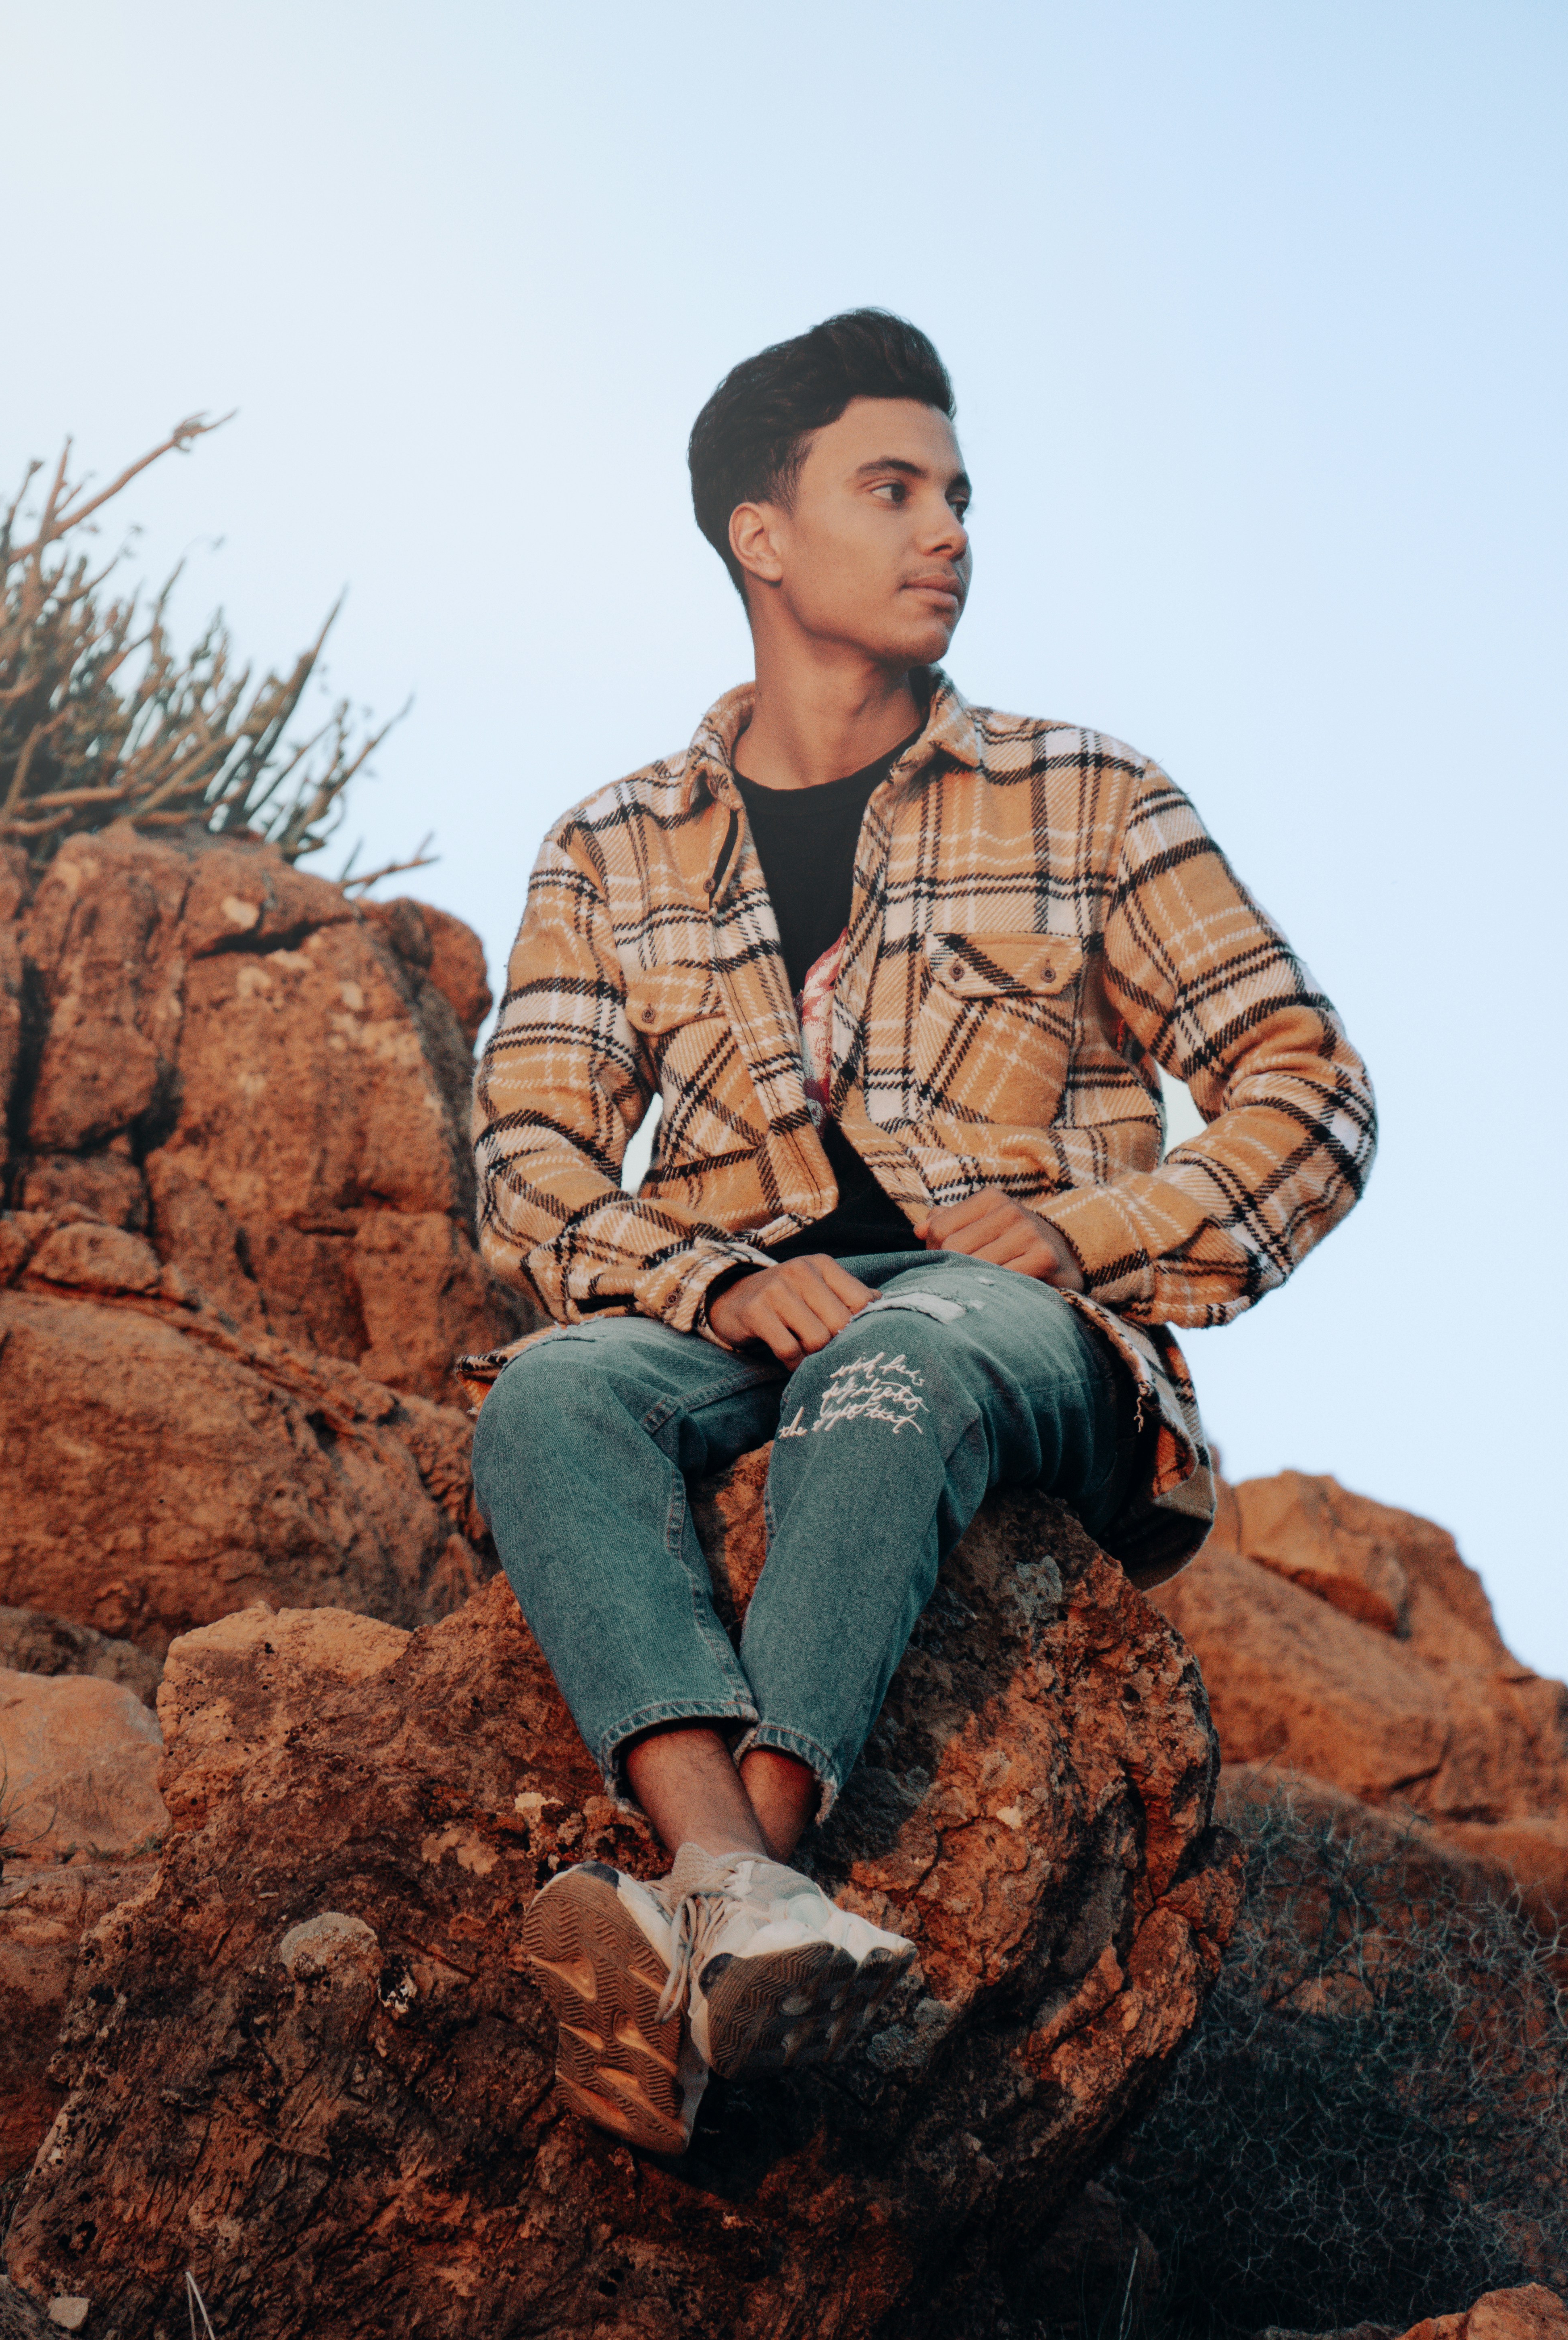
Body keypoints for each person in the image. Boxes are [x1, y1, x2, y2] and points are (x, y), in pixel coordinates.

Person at [463, 309, 1375, 2155]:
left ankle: (727, 1888)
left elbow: (1309, 1085)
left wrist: (1089, 1226)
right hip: (727, 1315)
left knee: (892, 1366)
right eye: (893, 489)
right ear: (762, 533)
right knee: (550, 1393)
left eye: (958, 493)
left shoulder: (1088, 795)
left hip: (1009, 1328)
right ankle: (737, 1896)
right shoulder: (611, 845)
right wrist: (711, 1273)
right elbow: (529, 1157)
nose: (948, 529)